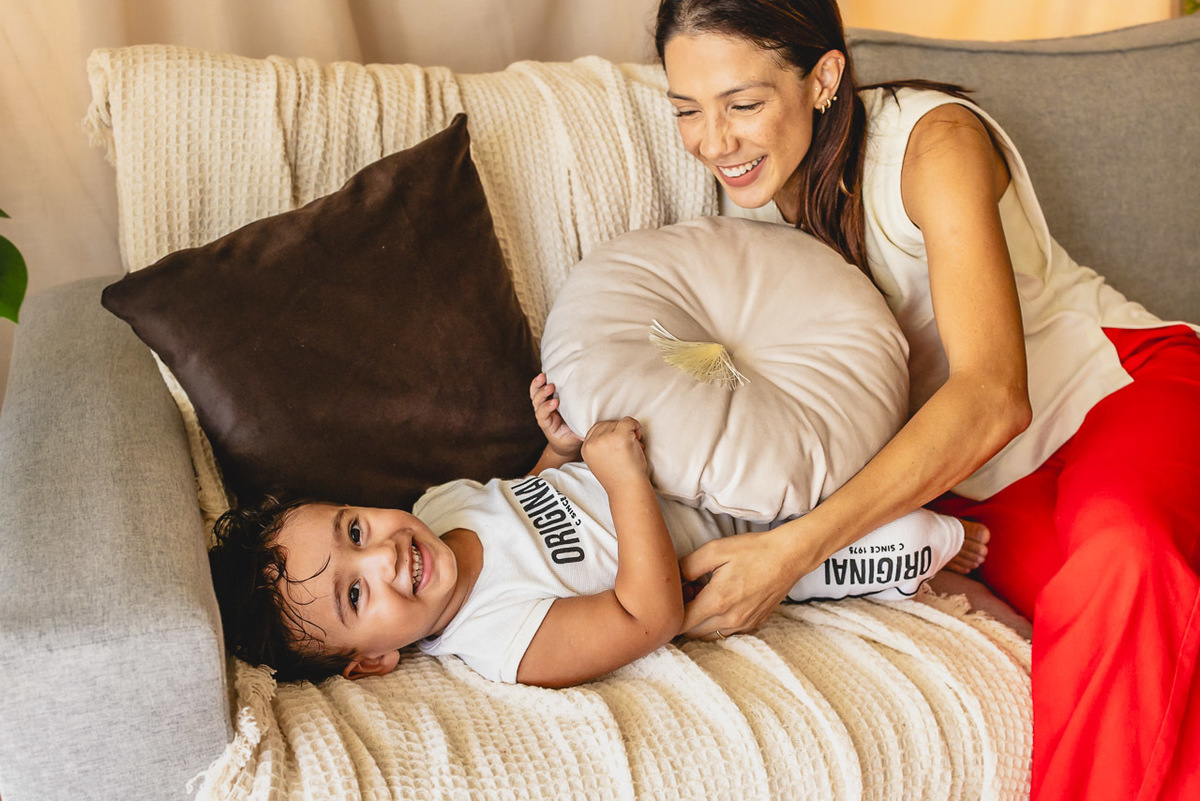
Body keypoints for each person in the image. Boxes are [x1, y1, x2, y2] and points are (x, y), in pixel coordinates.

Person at [647, 1, 1200, 799]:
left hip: (1113, 392)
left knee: (1128, 556)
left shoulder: (936, 144)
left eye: (742, 104)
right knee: (1145, 641)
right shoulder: (756, 202)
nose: (713, 141)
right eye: (686, 110)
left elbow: (993, 394)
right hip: (983, 486)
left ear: (825, 77)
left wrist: (792, 549)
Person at [209, 412, 985, 689]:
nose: (381, 554)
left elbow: (532, 496)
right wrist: (621, 477)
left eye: (352, 529)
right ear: (373, 659)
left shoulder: (436, 507)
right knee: (923, 531)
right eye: (355, 595)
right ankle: (915, 567)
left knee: (854, 434)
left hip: (698, 474)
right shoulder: (502, 638)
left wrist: (555, 450)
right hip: (739, 552)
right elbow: (647, 614)